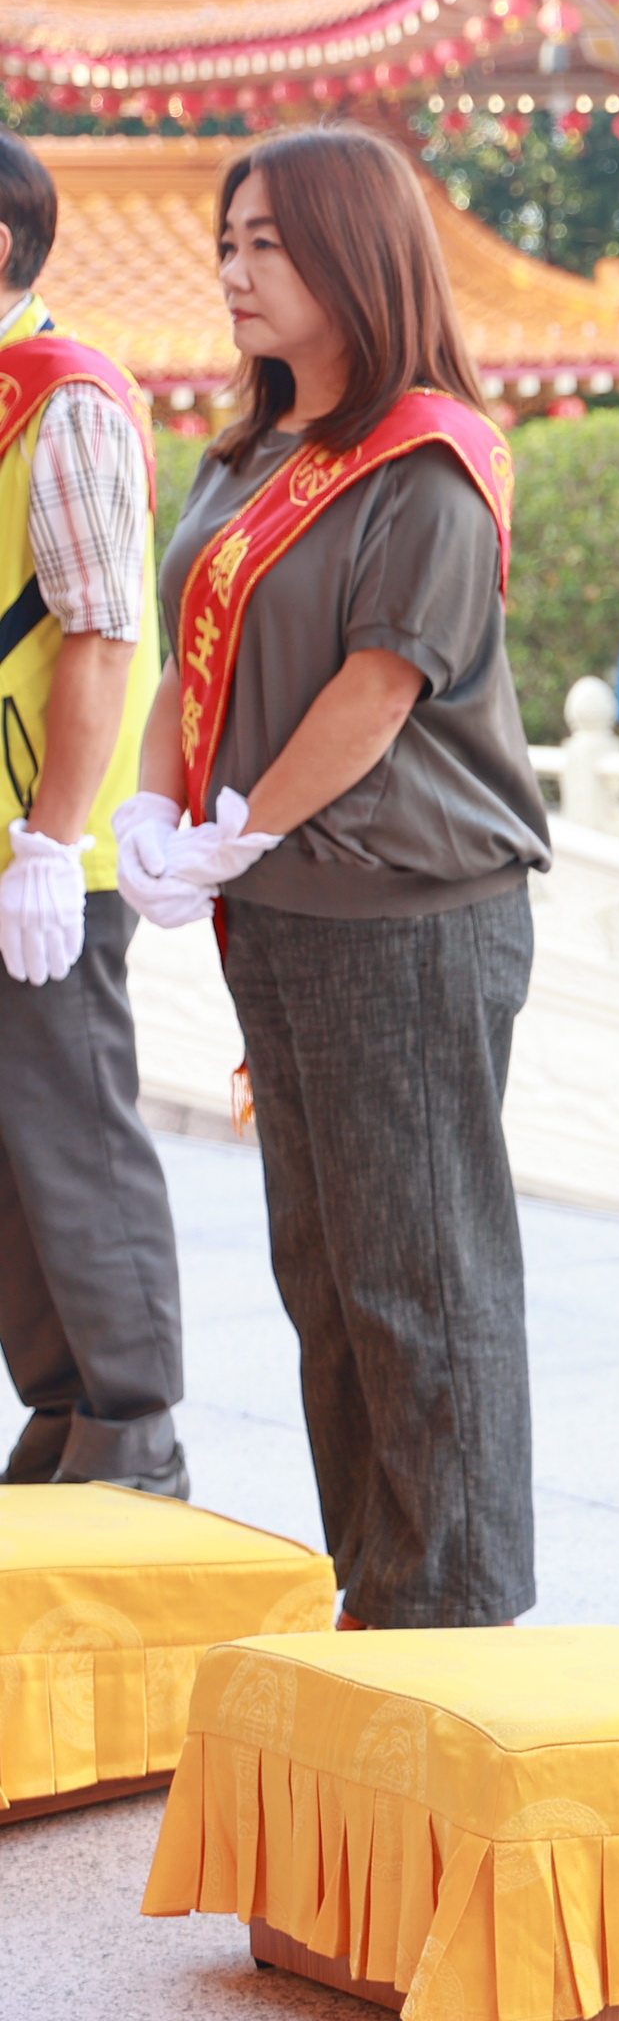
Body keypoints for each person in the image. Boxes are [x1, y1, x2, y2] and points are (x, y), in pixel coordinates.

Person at [118, 128, 548, 1625]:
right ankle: (377, 1591)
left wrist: (236, 828)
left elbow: (375, 692)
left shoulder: (425, 458)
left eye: (267, 246)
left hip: (408, 917)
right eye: (227, 244)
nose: (232, 273)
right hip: (284, 916)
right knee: (327, 1286)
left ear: (354, 253)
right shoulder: (244, 459)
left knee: (418, 1286)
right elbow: (194, 661)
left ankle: (458, 1617)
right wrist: (155, 811)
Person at [0, 128, 182, 1495]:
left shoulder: (64, 398)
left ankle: (133, 1433)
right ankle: (59, 1412)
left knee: (71, 1133)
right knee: (12, 1166)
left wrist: (53, 843)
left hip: (39, 851)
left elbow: (103, 633)